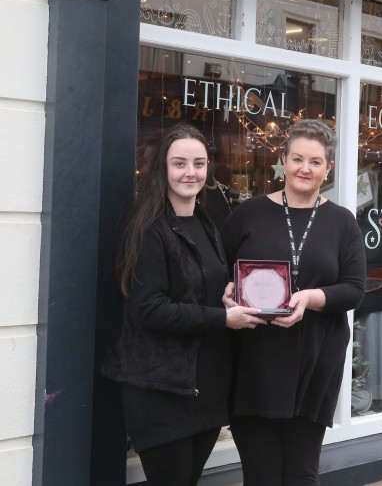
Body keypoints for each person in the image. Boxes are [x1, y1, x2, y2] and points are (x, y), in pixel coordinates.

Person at [102, 123, 266, 486]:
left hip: (204, 389)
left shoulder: (206, 223)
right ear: (162, 168)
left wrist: (225, 299)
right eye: (179, 164)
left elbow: (200, 292)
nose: (190, 173)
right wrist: (223, 319)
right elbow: (151, 309)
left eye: (198, 163)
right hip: (161, 389)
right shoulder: (149, 228)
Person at [221, 118, 367, 485]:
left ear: (328, 168)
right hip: (255, 362)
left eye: (315, 162)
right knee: (262, 475)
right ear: (283, 160)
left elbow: (354, 289)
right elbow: (218, 272)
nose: (305, 168)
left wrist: (310, 298)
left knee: (302, 474)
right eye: (298, 158)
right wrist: (225, 293)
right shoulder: (248, 214)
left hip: (315, 362)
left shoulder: (342, 222)